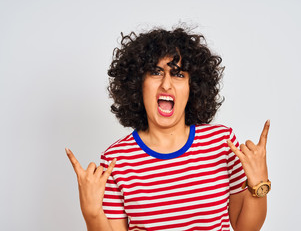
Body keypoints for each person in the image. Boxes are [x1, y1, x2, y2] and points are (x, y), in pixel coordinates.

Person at [66, 26, 271, 231]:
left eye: (178, 74)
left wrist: (258, 185)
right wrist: (92, 213)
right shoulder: (116, 160)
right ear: (138, 83)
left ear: (193, 87)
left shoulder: (222, 143)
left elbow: (246, 228)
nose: (166, 84)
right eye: (156, 72)